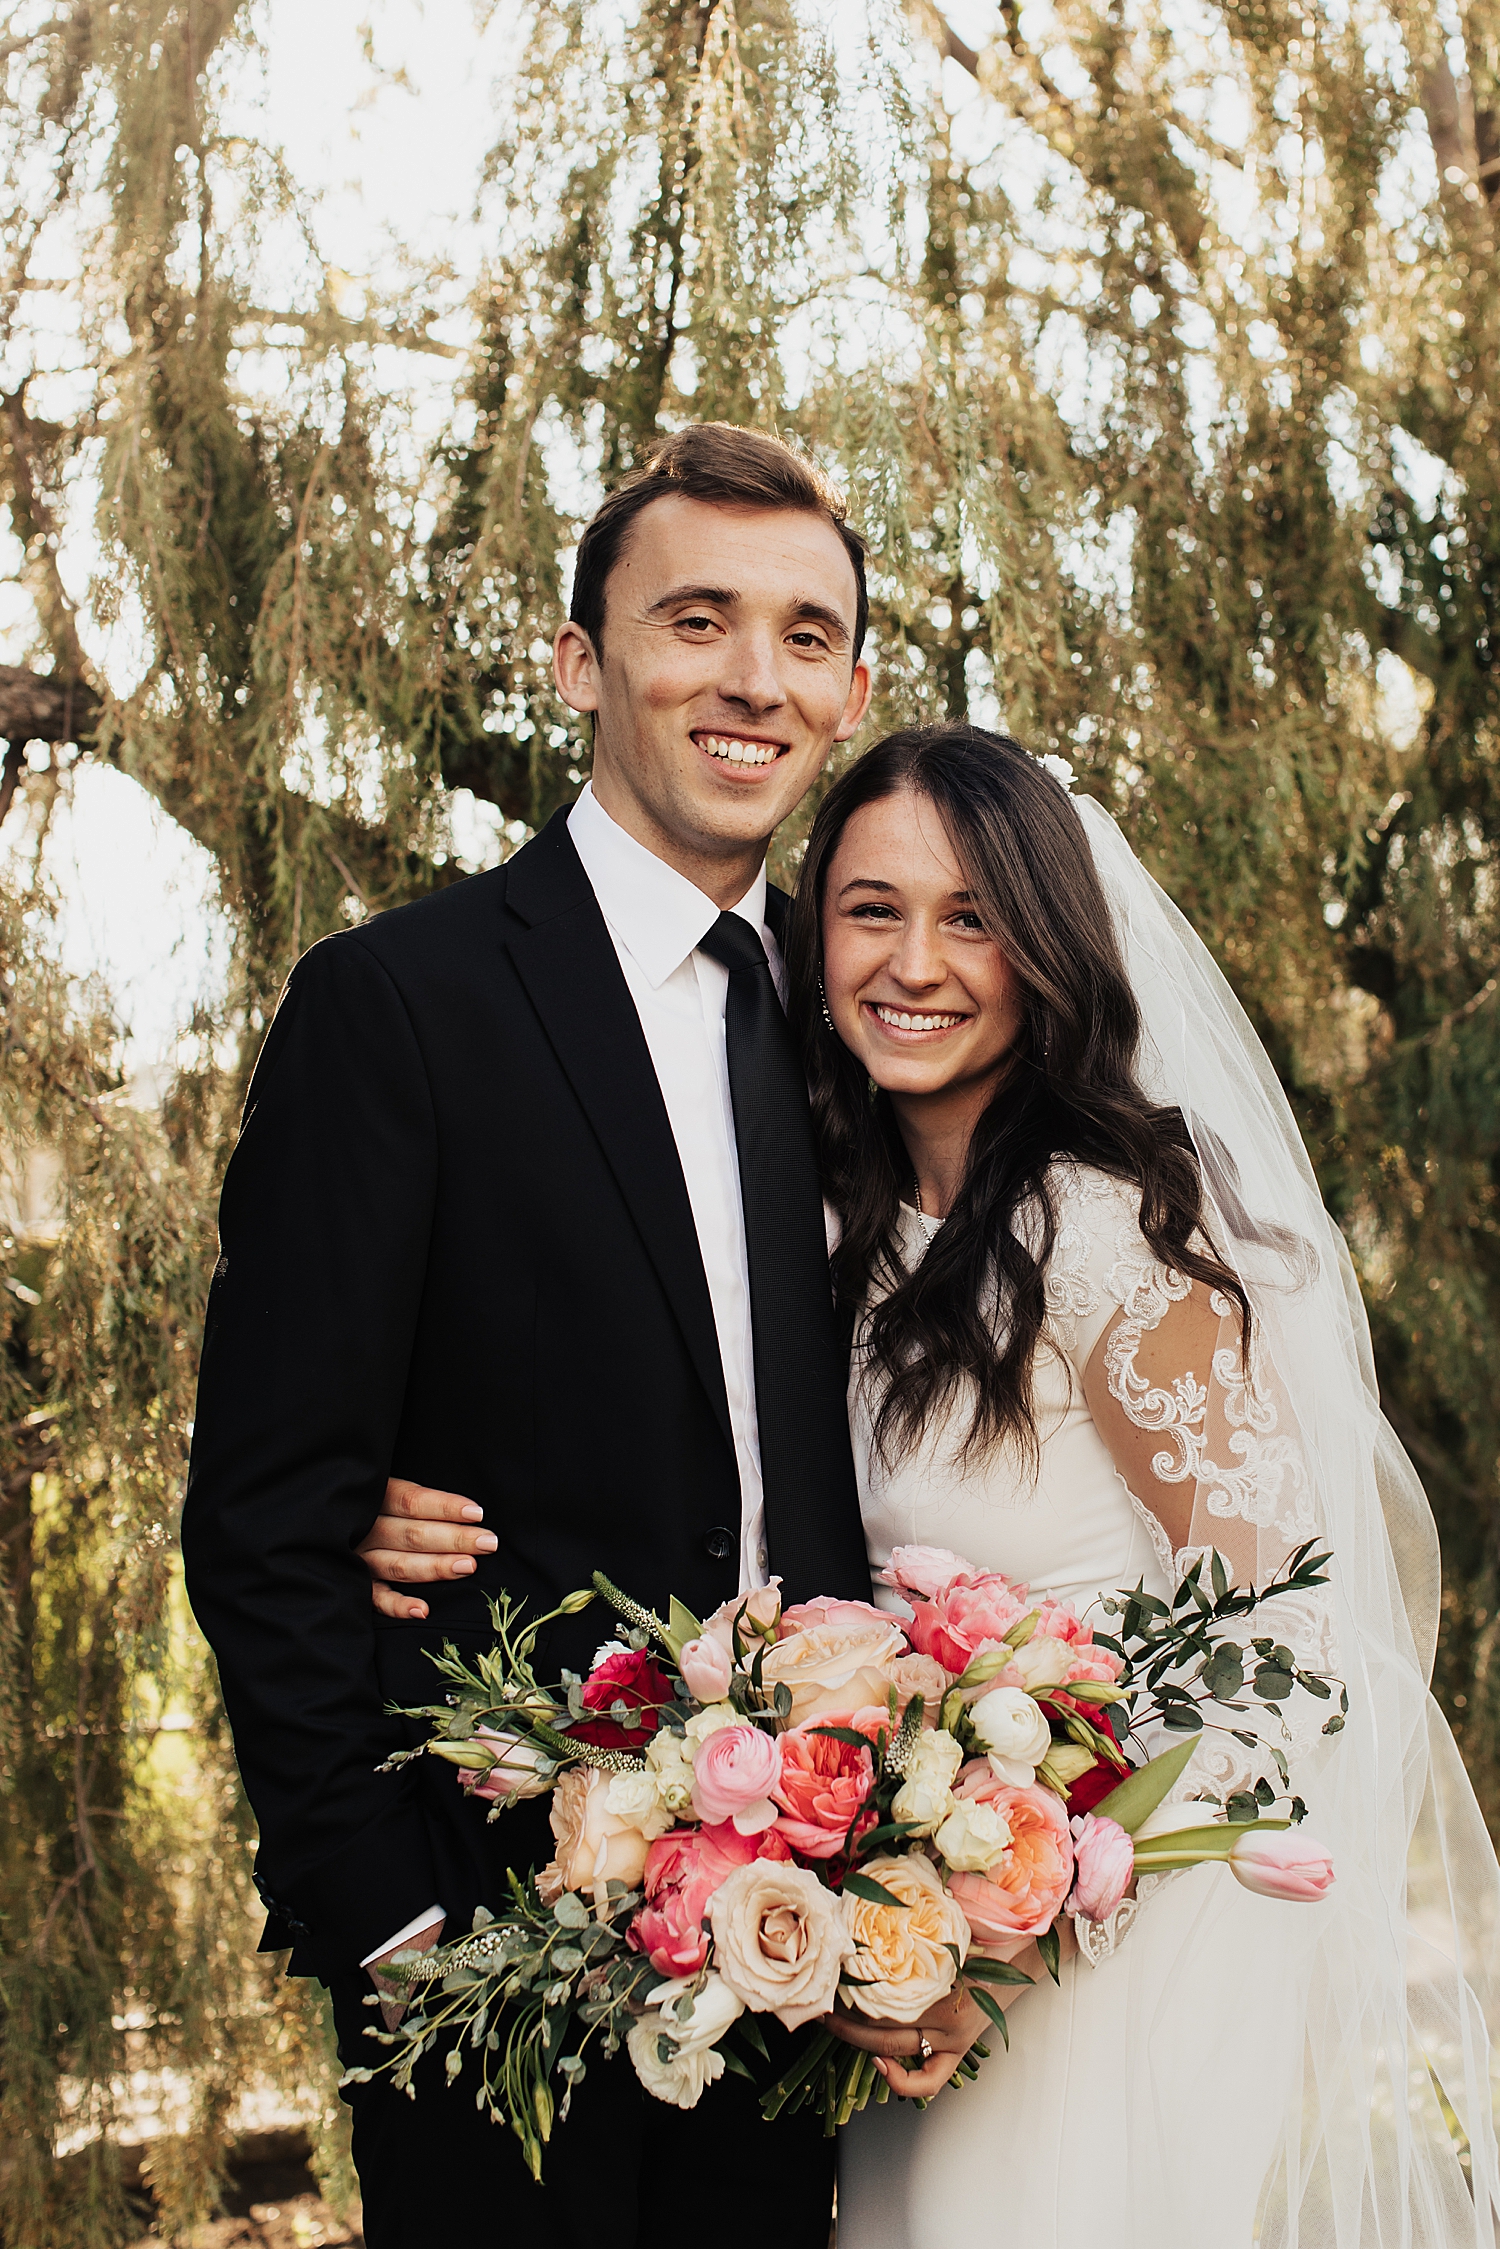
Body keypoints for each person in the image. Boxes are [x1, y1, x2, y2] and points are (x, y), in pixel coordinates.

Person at [373, 725, 1500, 2246]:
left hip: (1104, 1960)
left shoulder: (1115, 1244)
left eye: (971, 916)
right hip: (893, 1954)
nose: (916, 961)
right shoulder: (825, 1221)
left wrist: (1016, 1932)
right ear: (810, 934)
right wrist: (401, 1498)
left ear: (1046, 944)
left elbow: (1278, 1659)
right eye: (870, 908)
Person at [180, 421, 876, 2249]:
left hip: (833, 1942)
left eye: (807, 636)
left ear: (853, 686)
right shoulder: (396, 1008)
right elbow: (265, 1512)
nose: (754, 678)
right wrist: (391, 1929)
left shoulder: (872, 1029)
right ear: (582, 662)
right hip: (496, 1963)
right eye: (697, 620)